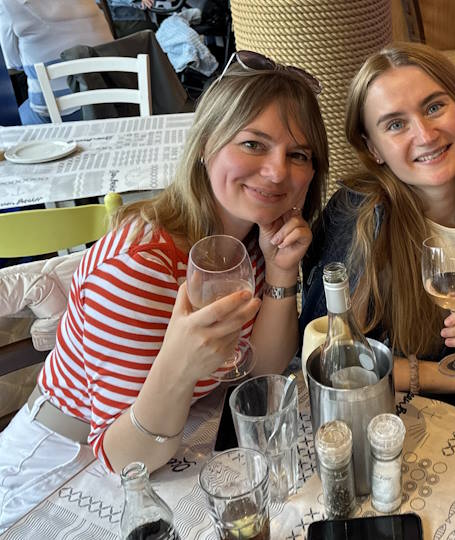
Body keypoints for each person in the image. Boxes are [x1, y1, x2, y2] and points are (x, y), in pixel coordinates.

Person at [0, 50, 328, 531]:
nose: (278, 171)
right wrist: (181, 361)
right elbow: (123, 459)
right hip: (60, 469)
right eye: (255, 144)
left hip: (174, 443)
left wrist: (281, 273)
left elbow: (261, 367)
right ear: (205, 143)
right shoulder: (140, 267)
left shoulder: (251, 242)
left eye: (297, 155)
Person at [300, 42, 455, 421]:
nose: (426, 135)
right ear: (373, 148)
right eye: (396, 124)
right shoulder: (359, 216)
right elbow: (330, 358)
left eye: (434, 107)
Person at [0, 0, 113, 124]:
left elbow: (13, 63)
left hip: (57, 111)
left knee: (8, 122)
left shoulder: (7, 3)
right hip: (111, 96)